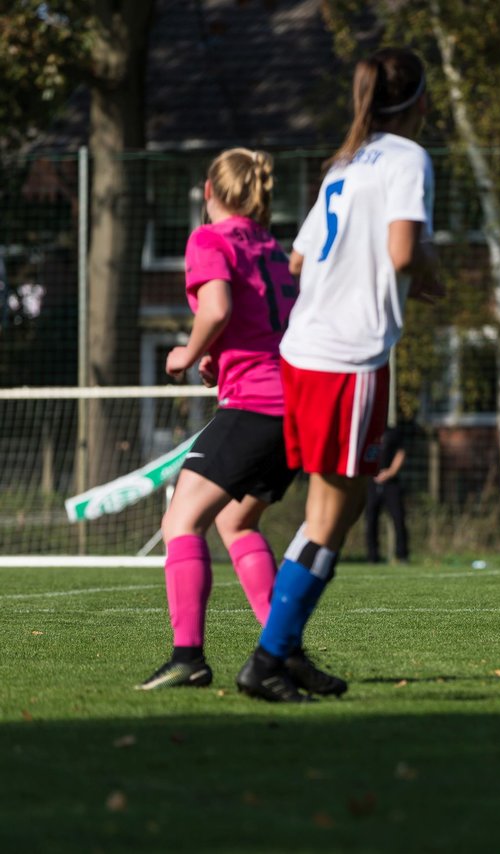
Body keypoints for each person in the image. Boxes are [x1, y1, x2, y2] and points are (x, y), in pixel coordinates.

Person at [235, 47, 439, 702]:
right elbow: (404, 252)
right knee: (331, 514)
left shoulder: (346, 161)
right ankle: (268, 660)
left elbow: (297, 261)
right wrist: (435, 280)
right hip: (347, 357)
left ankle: (285, 651)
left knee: (340, 508)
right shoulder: (408, 159)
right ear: (422, 102)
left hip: (309, 349)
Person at [137, 148, 305, 691]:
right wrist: (220, 353)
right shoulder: (271, 250)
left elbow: (216, 309)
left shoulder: (209, 239)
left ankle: (188, 657)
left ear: (208, 192)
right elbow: (264, 320)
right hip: (292, 408)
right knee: (238, 523)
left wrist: (187, 353)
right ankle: (283, 653)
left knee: (180, 523)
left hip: (253, 405)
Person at [365, 421, 409, 563]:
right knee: (371, 520)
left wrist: (390, 472)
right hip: (371, 482)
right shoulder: (366, 432)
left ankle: (402, 555)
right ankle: (373, 556)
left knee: (398, 518)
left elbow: (401, 452)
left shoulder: (393, 433)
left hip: (391, 484)